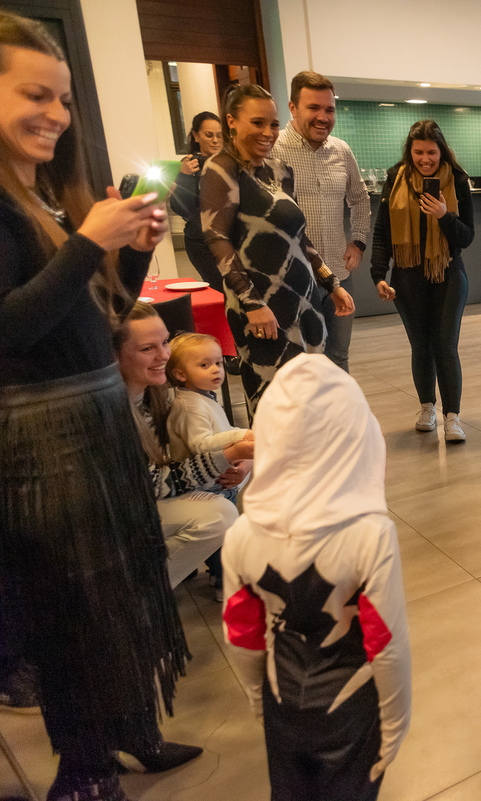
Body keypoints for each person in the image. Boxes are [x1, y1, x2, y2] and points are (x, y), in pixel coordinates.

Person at [0, 13, 196, 799]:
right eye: (34, 95)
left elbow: (96, 309)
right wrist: (87, 240)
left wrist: (134, 243)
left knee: (120, 588)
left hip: (91, 423)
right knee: (74, 611)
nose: (55, 113)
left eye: (64, 99)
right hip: (44, 441)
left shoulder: (39, 197)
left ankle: (131, 731)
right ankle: (84, 770)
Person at [223, 354, 412, 801]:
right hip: (352, 701)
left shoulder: (242, 533)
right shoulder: (371, 535)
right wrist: (397, 720)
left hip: (279, 694)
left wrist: (257, 698)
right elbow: (387, 645)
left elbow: (242, 636)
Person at [201, 83, 355, 414]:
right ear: (231, 121)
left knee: (313, 404)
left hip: (305, 302)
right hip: (261, 309)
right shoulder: (221, 167)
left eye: (273, 123)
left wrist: (331, 283)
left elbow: (300, 238)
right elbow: (217, 239)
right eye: (257, 122)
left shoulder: (279, 170)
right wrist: (252, 303)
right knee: (274, 410)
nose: (268, 132)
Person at [116, 303, 251, 591]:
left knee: (223, 505)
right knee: (218, 515)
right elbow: (150, 484)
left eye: (165, 342)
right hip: (118, 512)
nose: (164, 355)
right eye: (147, 349)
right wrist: (233, 452)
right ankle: (139, 593)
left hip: (152, 495)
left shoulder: (160, 395)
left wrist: (243, 462)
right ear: (114, 356)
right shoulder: (114, 413)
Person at [372, 119, 474, 442]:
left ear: (441, 151)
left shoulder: (456, 180)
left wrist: (445, 215)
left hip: (449, 274)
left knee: (445, 345)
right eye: (419, 152)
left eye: (431, 152)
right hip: (407, 277)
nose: (425, 159)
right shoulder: (395, 178)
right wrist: (378, 275)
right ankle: (427, 407)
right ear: (410, 151)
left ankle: (453, 416)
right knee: (421, 346)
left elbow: (467, 237)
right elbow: (381, 232)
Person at [271, 71, 370, 373]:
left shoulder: (341, 150)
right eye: (313, 108)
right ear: (293, 108)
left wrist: (359, 240)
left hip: (339, 274)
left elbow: (360, 198)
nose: (323, 117)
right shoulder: (274, 151)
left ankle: (338, 420)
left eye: (329, 109)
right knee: (302, 362)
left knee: (338, 356)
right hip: (295, 278)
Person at [166, 331, 252, 490]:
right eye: (204, 365)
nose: (215, 369)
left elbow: (221, 430)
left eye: (218, 363)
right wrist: (239, 436)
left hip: (218, 479)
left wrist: (245, 434)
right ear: (181, 374)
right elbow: (201, 445)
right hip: (211, 487)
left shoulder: (201, 396)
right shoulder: (189, 407)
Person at [169, 110, 223, 290]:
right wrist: (183, 176)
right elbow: (180, 207)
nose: (215, 140)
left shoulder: (229, 163)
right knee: (219, 289)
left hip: (229, 238)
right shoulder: (188, 166)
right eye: (209, 135)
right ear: (196, 136)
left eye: (219, 135)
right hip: (201, 242)